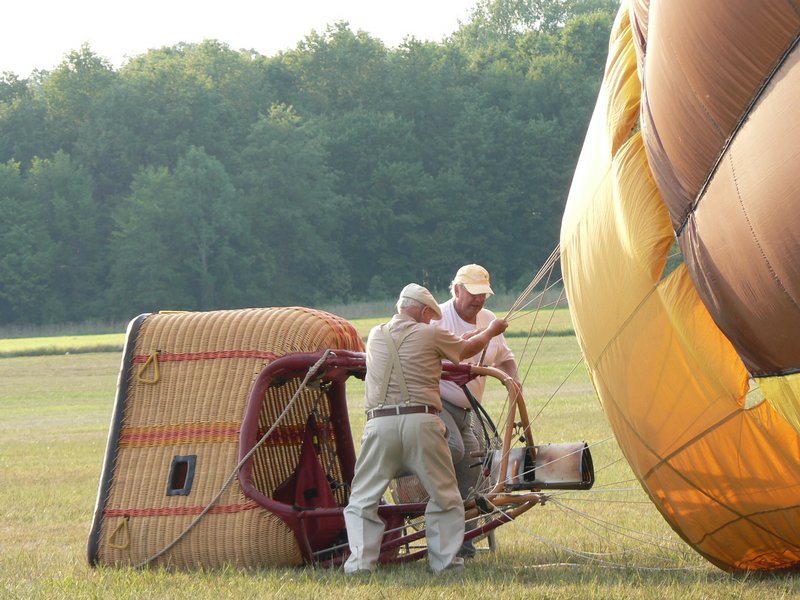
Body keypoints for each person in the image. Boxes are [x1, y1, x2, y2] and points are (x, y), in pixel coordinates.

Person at [343, 283, 509, 575]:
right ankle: (445, 562)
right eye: (430, 317)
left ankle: (359, 564)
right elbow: (466, 350)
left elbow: (414, 356)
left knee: (362, 499)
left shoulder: (376, 335)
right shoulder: (430, 333)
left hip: (379, 424)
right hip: (422, 421)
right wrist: (491, 331)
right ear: (421, 311)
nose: (431, 322)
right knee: (445, 495)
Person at [431, 264, 521, 558]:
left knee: (474, 468)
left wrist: (515, 384)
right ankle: (445, 534)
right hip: (439, 404)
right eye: (473, 293)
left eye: (483, 294)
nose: (479, 300)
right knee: (455, 451)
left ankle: (464, 543)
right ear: (456, 290)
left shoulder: (489, 319)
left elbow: (505, 357)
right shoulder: (438, 319)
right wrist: (488, 333)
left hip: (468, 410)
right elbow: (460, 352)